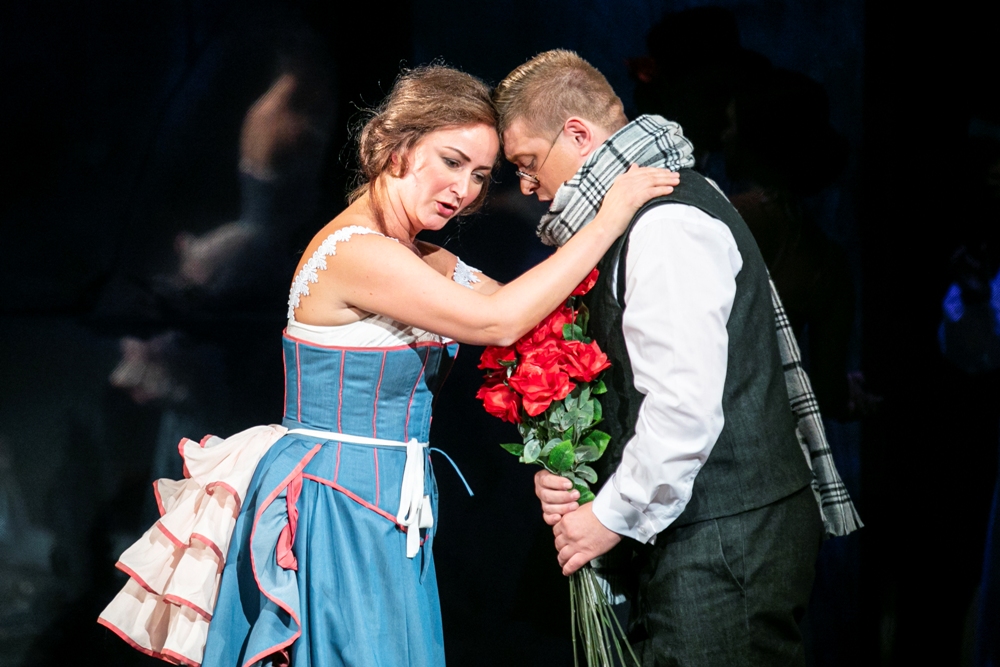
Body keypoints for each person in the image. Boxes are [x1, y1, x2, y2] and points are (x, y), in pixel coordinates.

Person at [97, 64, 679, 667]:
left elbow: (527, 310)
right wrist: (610, 217)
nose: (465, 190)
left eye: (480, 175)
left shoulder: (421, 256)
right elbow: (497, 321)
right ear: (398, 147)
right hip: (336, 505)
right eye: (452, 162)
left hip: (396, 509)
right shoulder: (356, 252)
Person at [494, 50, 860, 665]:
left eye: (529, 163)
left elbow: (682, 407)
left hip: (726, 536)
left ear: (577, 135)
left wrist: (608, 516)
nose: (527, 186)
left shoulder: (665, 224)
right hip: (706, 532)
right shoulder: (645, 210)